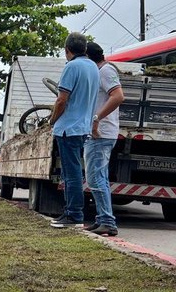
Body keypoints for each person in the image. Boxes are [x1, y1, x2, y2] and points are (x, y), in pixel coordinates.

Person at [49, 32, 99, 228]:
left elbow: (62, 99)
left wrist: (53, 120)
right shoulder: (93, 67)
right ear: (85, 49)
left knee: (71, 174)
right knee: (76, 171)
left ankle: (73, 214)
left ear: (67, 50)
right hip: (83, 127)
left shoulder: (71, 67)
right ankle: (74, 213)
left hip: (67, 128)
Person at [85, 42, 125, 236]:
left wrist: (96, 118)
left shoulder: (105, 71)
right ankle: (102, 219)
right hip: (100, 132)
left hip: (101, 133)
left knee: (96, 177)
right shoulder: (100, 72)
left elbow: (118, 96)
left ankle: (108, 221)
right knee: (97, 177)